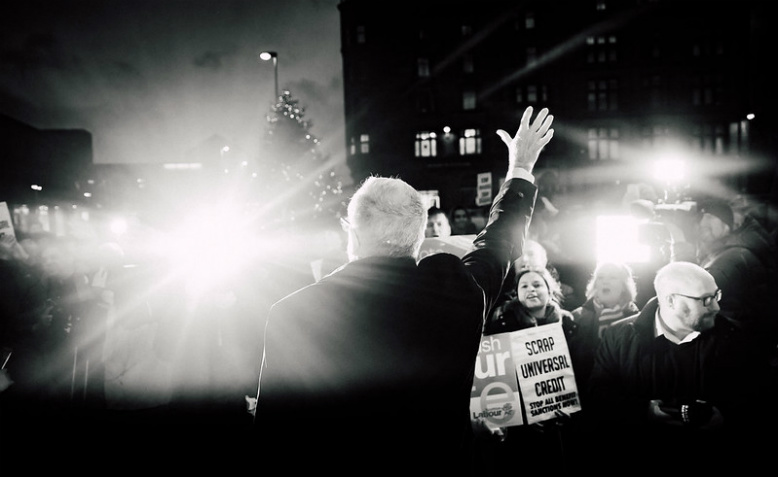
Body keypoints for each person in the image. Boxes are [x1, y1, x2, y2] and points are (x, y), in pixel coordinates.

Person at [254, 106, 554, 474]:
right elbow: (499, 244)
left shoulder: (293, 312)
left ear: (353, 232)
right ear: (418, 238)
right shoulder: (456, 292)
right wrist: (520, 167)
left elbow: (271, 440)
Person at [587, 261, 776, 472]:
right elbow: (599, 394)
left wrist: (726, 419)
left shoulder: (735, 338)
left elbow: (763, 398)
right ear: (671, 301)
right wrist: (642, 412)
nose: (716, 306)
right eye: (705, 300)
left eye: (716, 295)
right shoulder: (618, 337)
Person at [476, 266, 579, 473]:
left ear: (550, 290)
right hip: (519, 427)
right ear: (517, 293)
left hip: (562, 422)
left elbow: (579, 367)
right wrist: (527, 412)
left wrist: (564, 406)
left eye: (537, 284)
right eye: (524, 286)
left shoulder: (568, 323)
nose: (531, 289)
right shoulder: (500, 323)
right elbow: (496, 378)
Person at [569, 261, 639, 405]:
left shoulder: (638, 321)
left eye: (612, 277)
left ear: (624, 286)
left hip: (624, 404)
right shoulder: (575, 318)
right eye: (600, 277)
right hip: (583, 402)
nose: (605, 281)